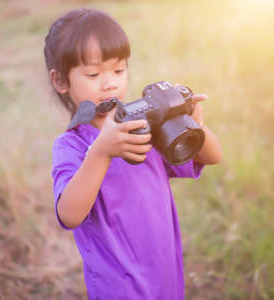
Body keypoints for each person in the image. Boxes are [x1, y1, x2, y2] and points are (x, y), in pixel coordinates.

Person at [44, 8, 222, 299]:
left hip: (165, 274)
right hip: (118, 286)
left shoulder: (145, 125)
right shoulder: (72, 146)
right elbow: (69, 215)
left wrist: (194, 123)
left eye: (119, 69)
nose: (110, 83)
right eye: (93, 73)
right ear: (61, 81)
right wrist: (101, 153)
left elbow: (211, 156)